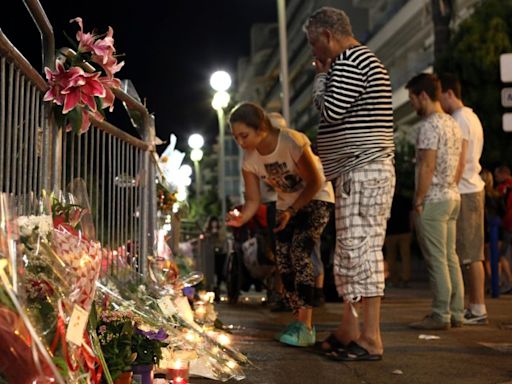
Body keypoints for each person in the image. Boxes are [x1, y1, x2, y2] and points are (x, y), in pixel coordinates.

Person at [304, 7, 395, 361]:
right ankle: (350, 329)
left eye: (314, 44)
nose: (314, 53)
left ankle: (370, 338)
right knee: (351, 253)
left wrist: (322, 77)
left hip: (364, 170)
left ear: (328, 36)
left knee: (360, 252)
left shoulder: (351, 60)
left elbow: (329, 110)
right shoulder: (355, 61)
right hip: (358, 171)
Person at [225, 102, 334, 347]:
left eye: (244, 135)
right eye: (236, 138)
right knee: (282, 261)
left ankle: (306, 325)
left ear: (261, 127)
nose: (241, 143)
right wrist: (240, 218)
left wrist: (293, 210)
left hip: (316, 199)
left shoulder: (292, 141)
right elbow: (253, 199)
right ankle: (298, 320)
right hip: (287, 206)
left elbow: (315, 181)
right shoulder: (249, 159)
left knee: (299, 252)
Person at [405, 73, 465, 330]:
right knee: (450, 256)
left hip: (433, 199)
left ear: (423, 96)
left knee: (437, 258)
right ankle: (457, 311)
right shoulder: (453, 123)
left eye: (412, 99)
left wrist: (418, 199)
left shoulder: (429, 126)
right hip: (452, 196)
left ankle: (440, 313)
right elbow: (461, 162)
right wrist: (451, 184)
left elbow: (427, 165)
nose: (412, 105)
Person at [439, 74, 488, 324]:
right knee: (471, 253)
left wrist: (450, 187)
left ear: (449, 93)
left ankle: (477, 308)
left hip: (466, 190)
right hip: (472, 188)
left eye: (441, 97)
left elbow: (460, 157)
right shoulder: (472, 116)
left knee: (469, 255)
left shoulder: (459, 119)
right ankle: (474, 306)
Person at [384, 190, 413, 288]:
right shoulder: (405, 200)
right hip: (405, 231)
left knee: (391, 257)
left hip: (390, 232)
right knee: (406, 256)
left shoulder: (387, 199)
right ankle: (405, 278)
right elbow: (411, 215)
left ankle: (393, 279)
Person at [204, 216, 226, 300]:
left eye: (215, 222)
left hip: (220, 254)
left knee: (219, 272)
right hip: (210, 254)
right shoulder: (207, 230)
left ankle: (217, 289)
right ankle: (210, 289)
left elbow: (223, 238)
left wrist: (217, 233)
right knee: (210, 272)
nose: (214, 224)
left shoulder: (221, 230)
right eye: (212, 222)